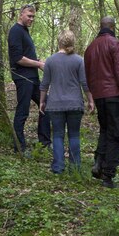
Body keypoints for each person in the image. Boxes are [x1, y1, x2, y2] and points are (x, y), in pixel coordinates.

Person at [84, 16, 119, 188]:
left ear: (101, 27)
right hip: (114, 96)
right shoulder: (115, 44)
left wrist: (92, 96)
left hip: (99, 96)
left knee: (105, 130)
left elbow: (88, 76)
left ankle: (99, 163)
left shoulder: (90, 48)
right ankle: (108, 175)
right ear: (113, 27)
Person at [39, 30, 94, 174]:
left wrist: (41, 101)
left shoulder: (50, 60)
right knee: (74, 135)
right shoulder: (79, 60)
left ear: (59, 42)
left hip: (55, 104)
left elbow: (44, 84)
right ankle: (75, 167)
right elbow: (85, 83)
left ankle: (58, 167)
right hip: (75, 104)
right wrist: (90, 100)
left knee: (57, 135)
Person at [8, 4, 50, 153]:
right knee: (23, 110)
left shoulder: (24, 31)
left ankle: (44, 142)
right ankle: (19, 146)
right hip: (22, 77)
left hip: (32, 77)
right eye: (29, 16)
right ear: (21, 15)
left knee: (46, 104)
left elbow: (25, 54)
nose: (31, 19)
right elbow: (18, 58)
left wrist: (38, 62)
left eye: (33, 17)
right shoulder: (15, 31)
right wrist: (39, 64)